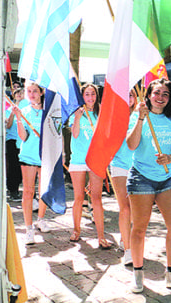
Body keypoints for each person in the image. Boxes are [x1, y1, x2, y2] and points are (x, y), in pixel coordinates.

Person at [126, 79, 171, 293]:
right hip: (141, 178)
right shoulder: (138, 116)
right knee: (139, 228)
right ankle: (138, 273)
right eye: (157, 93)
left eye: (165, 94)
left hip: (166, 179)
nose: (160, 97)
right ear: (148, 95)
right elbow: (131, 145)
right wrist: (139, 119)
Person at [69, 83, 110, 248]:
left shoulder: (101, 114)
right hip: (78, 160)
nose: (90, 97)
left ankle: (101, 235)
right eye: (87, 94)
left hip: (96, 160)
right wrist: (78, 118)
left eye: (93, 94)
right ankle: (76, 230)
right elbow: (75, 134)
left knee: (96, 198)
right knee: (79, 197)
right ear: (82, 96)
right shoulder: (77, 113)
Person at [13, 81, 50, 245]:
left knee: (44, 191)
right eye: (29, 91)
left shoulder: (48, 111)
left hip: (45, 157)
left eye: (35, 91)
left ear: (41, 92)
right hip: (28, 156)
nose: (32, 94)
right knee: (28, 192)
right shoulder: (24, 111)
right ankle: (29, 228)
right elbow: (23, 137)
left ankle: (40, 219)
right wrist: (19, 119)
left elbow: (55, 135)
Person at [110, 89, 138, 265]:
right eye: (125, 94)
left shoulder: (140, 115)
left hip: (137, 166)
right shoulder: (113, 116)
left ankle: (126, 238)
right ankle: (128, 250)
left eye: (131, 95)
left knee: (135, 210)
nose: (128, 98)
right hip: (118, 164)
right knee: (125, 208)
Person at [5, 88, 25, 201]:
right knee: (13, 166)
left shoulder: (28, 108)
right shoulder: (9, 108)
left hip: (23, 140)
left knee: (23, 165)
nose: (20, 95)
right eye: (17, 93)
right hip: (12, 140)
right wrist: (13, 112)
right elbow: (8, 125)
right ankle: (13, 190)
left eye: (22, 93)